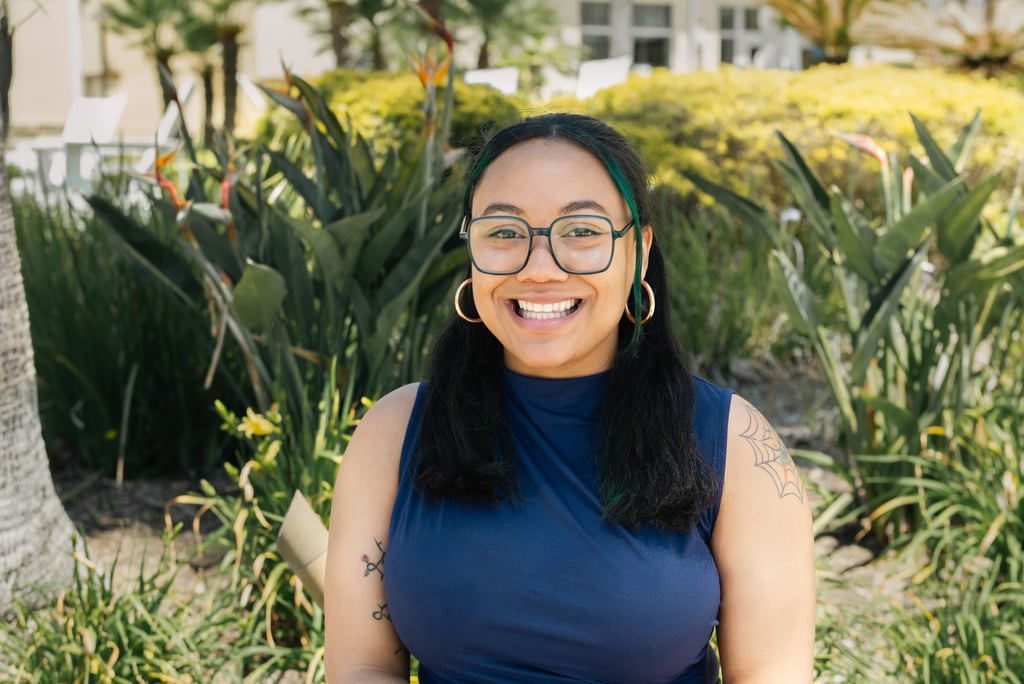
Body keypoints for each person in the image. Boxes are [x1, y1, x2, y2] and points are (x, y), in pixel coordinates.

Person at [324, 113, 815, 683]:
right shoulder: (395, 432)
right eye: (504, 232)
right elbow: (363, 667)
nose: (539, 269)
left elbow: (770, 671)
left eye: (581, 232)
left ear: (639, 251)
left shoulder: (734, 444)